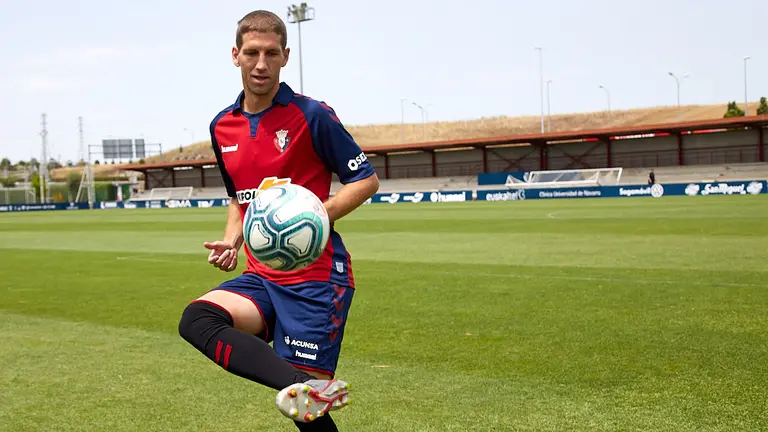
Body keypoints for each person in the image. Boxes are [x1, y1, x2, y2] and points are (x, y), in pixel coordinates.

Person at [177, 9, 379, 432]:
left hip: (316, 278)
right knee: (197, 320)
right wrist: (232, 240)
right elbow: (239, 197)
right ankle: (303, 385)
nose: (261, 63)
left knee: (308, 417)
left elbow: (365, 179)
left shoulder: (312, 115)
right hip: (263, 275)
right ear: (235, 55)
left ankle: (307, 388)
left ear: (285, 56)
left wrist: (317, 214)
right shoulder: (222, 127)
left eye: (271, 53)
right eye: (252, 53)